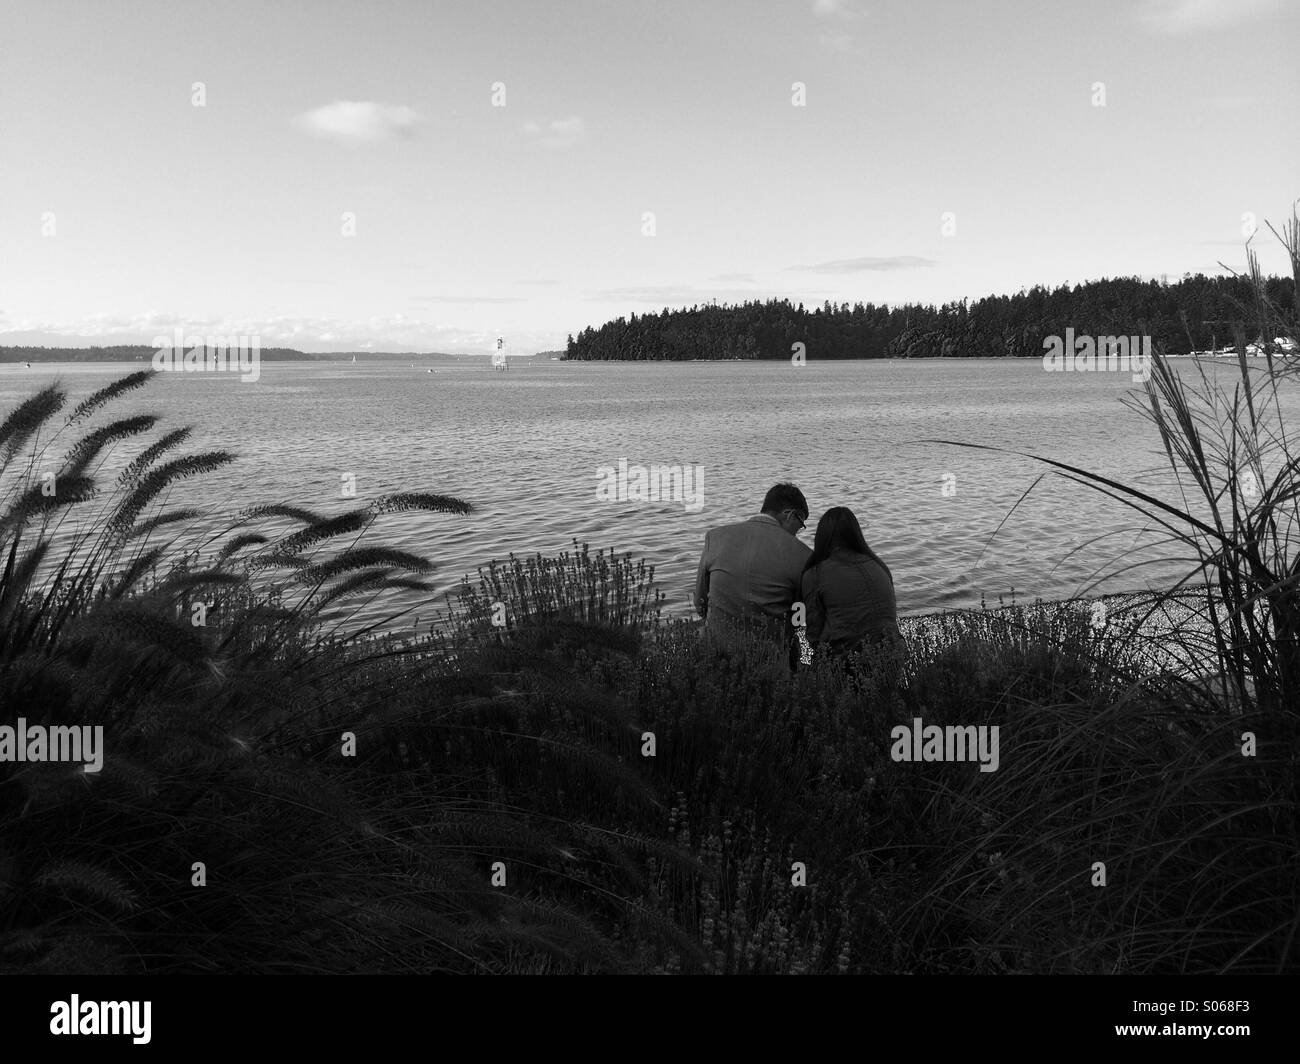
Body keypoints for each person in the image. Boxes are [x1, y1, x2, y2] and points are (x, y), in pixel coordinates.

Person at [694, 483, 811, 668]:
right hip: (769, 664)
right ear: (789, 514)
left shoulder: (715, 538)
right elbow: (799, 620)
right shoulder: (803, 555)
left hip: (716, 657)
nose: (798, 532)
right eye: (800, 524)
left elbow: (700, 603)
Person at [799, 507, 906, 693]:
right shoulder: (879, 566)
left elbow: (814, 634)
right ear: (856, 534)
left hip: (850, 668)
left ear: (822, 537)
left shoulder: (815, 574)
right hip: (893, 659)